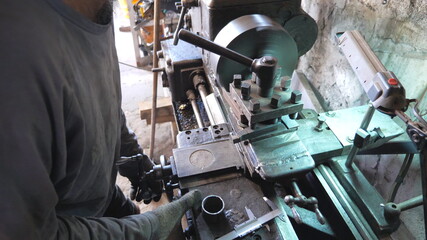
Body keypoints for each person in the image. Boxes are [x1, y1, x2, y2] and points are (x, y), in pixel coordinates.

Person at [0, 0, 201, 239]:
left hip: (98, 199)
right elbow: (29, 233)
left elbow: (103, 94)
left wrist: (132, 155)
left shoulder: (98, 7)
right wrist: (145, 229)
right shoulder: (15, 57)